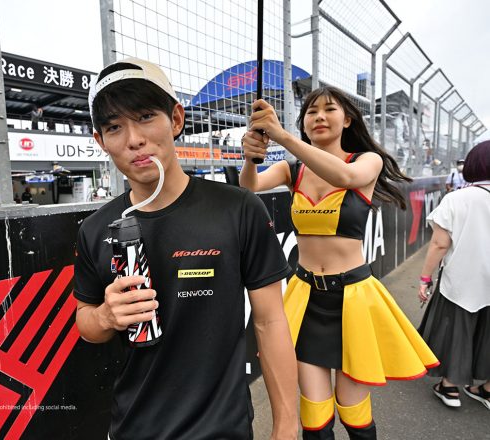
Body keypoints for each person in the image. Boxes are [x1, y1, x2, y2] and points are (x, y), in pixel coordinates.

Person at [74, 58, 298, 440]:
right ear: (101, 141)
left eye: (146, 116)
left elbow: (270, 321)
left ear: (176, 119)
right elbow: (86, 323)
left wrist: (286, 428)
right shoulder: (96, 229)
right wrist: (107, 317)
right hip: (133, 428)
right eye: (114, 127)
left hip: (223, 430)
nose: (133, 139)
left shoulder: (238, 209)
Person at [240, 86, 438, 439]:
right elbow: (250, 187)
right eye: (311, 111)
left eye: (329, 109)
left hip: (353, 300)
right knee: (314, 414)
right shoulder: (292, 169)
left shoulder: (366, 161)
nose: (318, 116)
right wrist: (250, 157)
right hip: (307, 298)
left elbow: (344, 178)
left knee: (353, 410)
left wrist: (283, 137)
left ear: (347, 120)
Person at [417, 141, 490, 410]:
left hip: (462, 278)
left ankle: (449, 387)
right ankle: (486, 389)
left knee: (457, 329)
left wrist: (425, 279)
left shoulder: (457, 198)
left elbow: (439, 244)